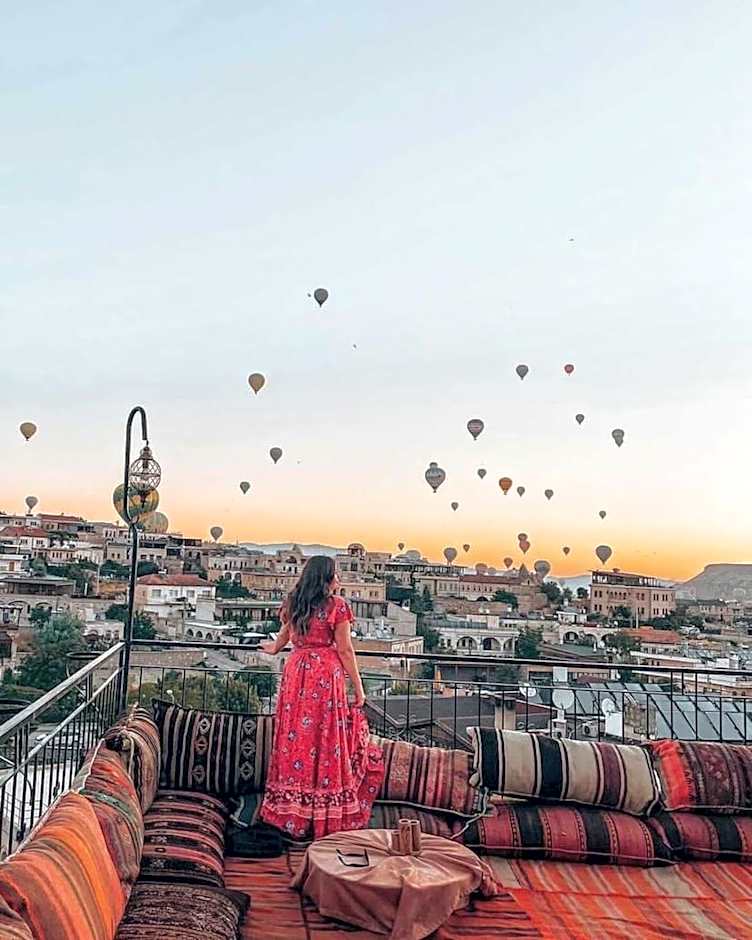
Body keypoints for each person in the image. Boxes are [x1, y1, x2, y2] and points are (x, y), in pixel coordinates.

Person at [259, 555, 384, 840]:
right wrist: (359, 688)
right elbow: (345, 650)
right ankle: (322, 809)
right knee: (325, 738)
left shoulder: (295, 601)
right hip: (324, 678)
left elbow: (282, 639)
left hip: (296, 676)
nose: (338, 580)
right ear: (326, 578)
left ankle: (292, 808)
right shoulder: (337, 607)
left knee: (296, 737)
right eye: (335, 575)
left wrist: (271, 649)